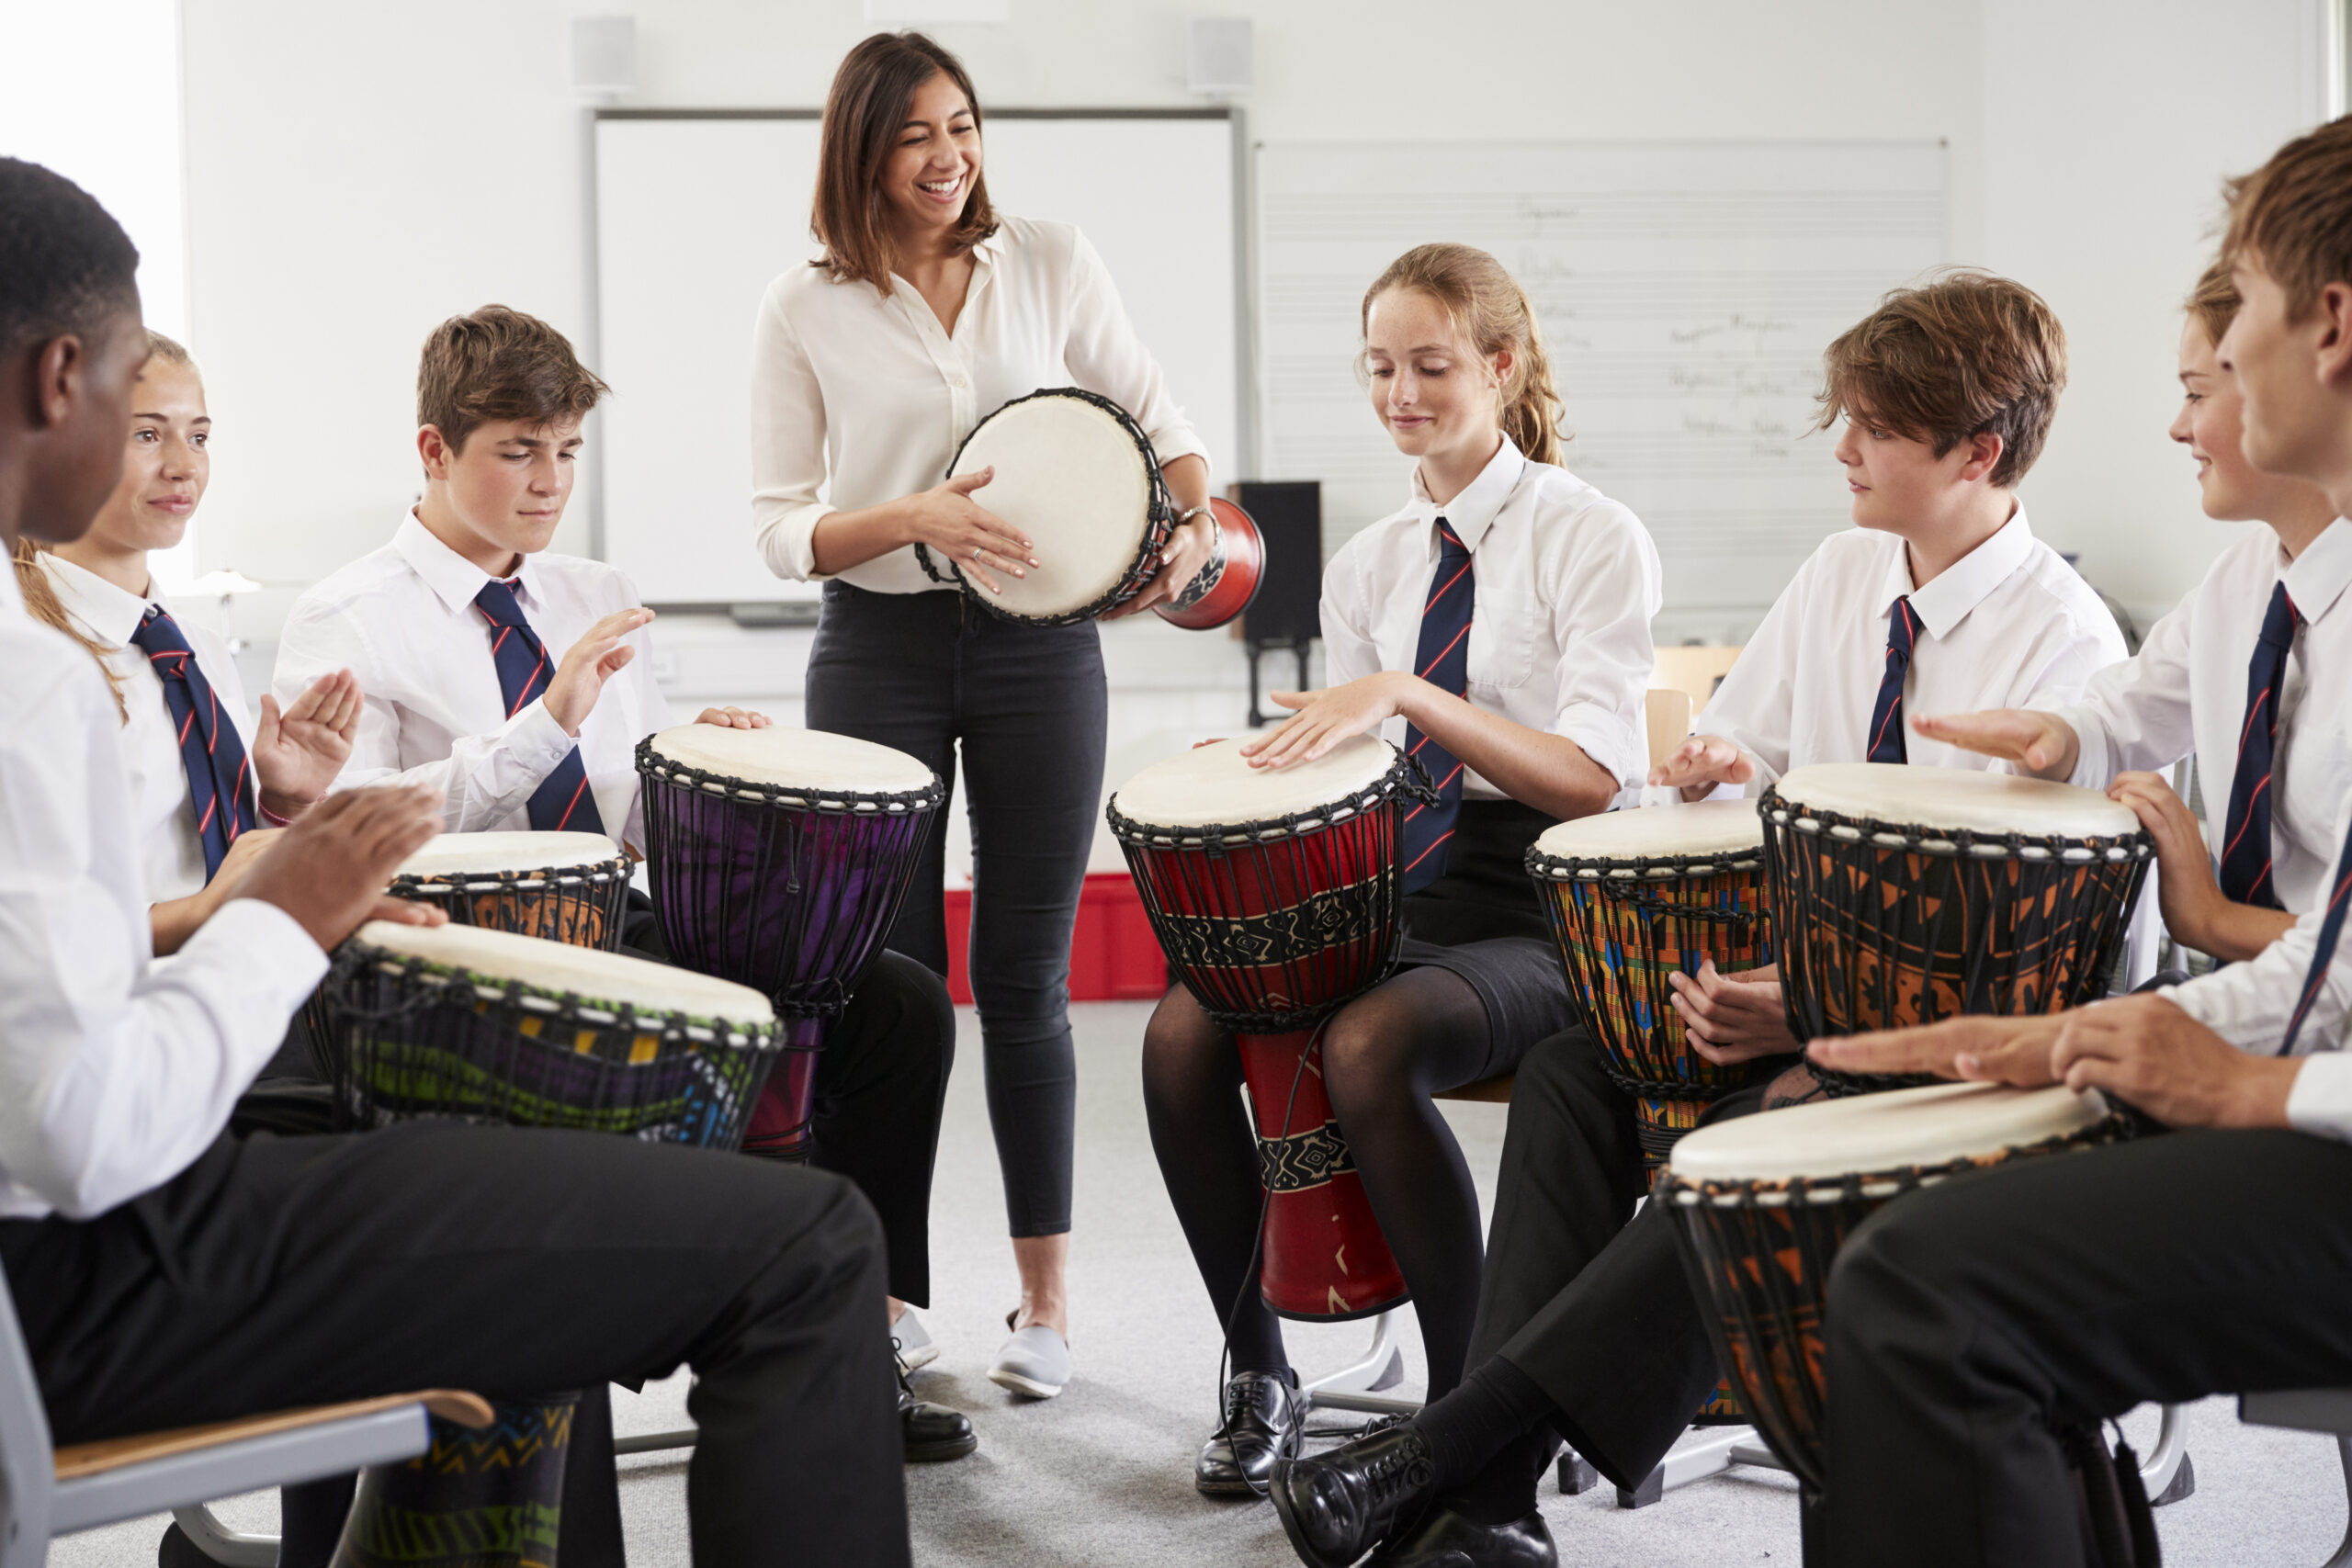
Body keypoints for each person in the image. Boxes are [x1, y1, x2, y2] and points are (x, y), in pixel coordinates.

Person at [0, 154, 908, 1568]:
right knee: (804, 1240)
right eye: (133, 398)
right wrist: (282, 911)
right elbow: (76, 1122)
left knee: (619, 1127)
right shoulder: (38, 668)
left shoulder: (76, 651)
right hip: (102, 1250)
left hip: (109, 1208)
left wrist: (287, 825)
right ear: (63, 380)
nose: (164, 452)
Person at [1266, 271, 2126, 1568]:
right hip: (1800, 988)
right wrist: (1721, 765)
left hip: (1951, 1047)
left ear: (1978, 450)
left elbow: (2027, 951)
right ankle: (1489, 1495)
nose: (1842, 448)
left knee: (1751, 1147)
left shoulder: (2066, 647)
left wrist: (1812, 1001)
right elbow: (1746, 755)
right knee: (1574, 1071)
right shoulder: (1845, 572)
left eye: (1875, 427)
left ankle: (1453, 1455)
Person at [1793, 113, 2352, 1568]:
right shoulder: (2265, 589)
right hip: (2301, 1063)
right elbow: (2340, 966)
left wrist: (2259, 1084)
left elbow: (2317, 996)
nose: (2199, 402)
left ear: (2331, 326)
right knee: (1887, 1192)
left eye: (2238, 349)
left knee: (1925, 1280)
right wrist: (2096, 1030)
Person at [271, 303, 967, 1464]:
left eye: (566, 452)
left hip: (614, 912)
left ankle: (859, 1333)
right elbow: (360, 835)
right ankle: (702, 1314)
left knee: (893, 1006)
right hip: (459, 944)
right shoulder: (344, 616)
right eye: (517, 451)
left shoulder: (591, 589)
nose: (549, 483)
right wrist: (541, 726)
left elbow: (636, 812)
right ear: (434, 451)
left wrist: (706, 764)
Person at [1141, 243, 1657, 1496]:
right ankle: (1258, 1369)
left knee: (1369, 1043)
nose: (1401, 392)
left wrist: (1410, 691)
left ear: (1500, 364)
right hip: (1390, 885)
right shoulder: (1374, 560)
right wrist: (1255, 776)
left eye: (1431, 364)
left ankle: (1468, 1405)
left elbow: (1594, 779)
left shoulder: (1592, 535)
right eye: (1380, 366)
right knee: (1179, 1036)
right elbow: (1351, 773)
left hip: (1549, 905)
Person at [751, 29, 1218, 1399]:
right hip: (875, 649)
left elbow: (1164, 422)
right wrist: (910, 516)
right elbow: (779, 527)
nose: (948, 157)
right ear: (862, 153)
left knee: (1025, 978)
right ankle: (890, 1302)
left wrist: (1186, 522)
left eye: (962, 126)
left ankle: (1046, 1305)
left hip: (1041, 650)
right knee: (885, 989)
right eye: (915, 136)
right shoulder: (803, 305)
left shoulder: (1053, 261)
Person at [1914, 258, 2349, 964]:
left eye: (2197, 393)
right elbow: (2120, 719)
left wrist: (2212, 920)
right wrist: (2057, 737)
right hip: (2253, 1000)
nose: (2178, 428)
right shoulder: (2240, 586)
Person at [10, 331, 363, 953]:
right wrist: (202, 912)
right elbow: (30, 938)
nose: (184, 465)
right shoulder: (28, 658)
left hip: (237, 1007)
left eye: (198, 436)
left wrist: (282, 801)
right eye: (146, 434)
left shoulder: (193, 649)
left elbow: (219, 862)